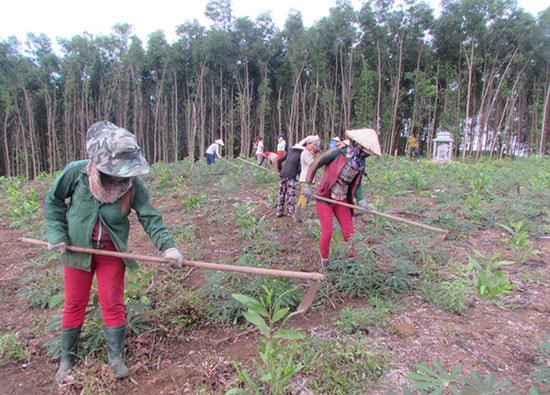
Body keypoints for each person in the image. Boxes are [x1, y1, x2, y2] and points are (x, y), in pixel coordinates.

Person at [44, 121, 184, 384]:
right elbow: (53, 202)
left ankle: (116, 358)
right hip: (77, 253)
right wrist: (57, 235)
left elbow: (150, 218)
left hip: (112, 254)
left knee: (112, 302)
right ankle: (67, 359)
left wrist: (168, 247)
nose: (119, 176)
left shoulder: (133, 186)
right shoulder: (76, 174)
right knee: (74, 303)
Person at [304, 128, 381, 268]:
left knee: (349, 233)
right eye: (365, 152)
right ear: (359, 146)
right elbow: (315, 164)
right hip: (326, 197)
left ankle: (351, 265)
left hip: (343, 199)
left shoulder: (360, 163)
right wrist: (307, 185)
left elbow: (356, 186)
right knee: (327, 232)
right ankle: (325, 264)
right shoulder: (338, 152)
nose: (366, 156)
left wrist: (362, 202)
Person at [276, 142, 304, 217]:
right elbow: (299, 169)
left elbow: (279, 161)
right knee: (291, 194)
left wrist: (280, 171)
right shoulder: (300, 155)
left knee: (281, 193)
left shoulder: (290, 152)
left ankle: (279, 211)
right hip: (291, 176)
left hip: (283, 174)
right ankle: (290, 212)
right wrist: (301, 178)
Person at [295, 135, 320, 222]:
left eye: (315, 145)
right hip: (306, 179)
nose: (314, 147)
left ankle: (298, 216)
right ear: (308, 144)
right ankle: (303, 217)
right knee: (304, 198)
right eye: (313, 144)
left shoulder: (308, 153)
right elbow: (313, 164)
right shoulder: (305, 153)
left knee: (302, 197)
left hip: (306, 179)